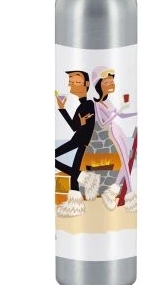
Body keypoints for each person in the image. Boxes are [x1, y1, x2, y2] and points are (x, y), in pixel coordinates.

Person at [91, 66, 138, 212]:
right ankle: (130, 195)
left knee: (126, 161)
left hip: (119, 130)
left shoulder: (109, 102)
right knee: (125, 160)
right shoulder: (97, 104)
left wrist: (135, 113)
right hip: (112, 131)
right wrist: (119, 111)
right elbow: (102, 123)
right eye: (107, 82)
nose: (111, 84)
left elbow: (121, 116)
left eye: (112, 81)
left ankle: (112, 191)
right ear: (99, 85)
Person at [55, 70, 100, 217]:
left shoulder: (88, 104)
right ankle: (75, 206)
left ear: (86, 84)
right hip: (80, 139)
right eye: (71, 82)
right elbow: (75, 126)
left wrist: (82, 124)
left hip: (80, 139)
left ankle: (84, 177)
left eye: (77, 82)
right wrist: (62, 108)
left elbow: (84, 127)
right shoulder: (83, 105)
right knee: (74, 175)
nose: (72, 85)